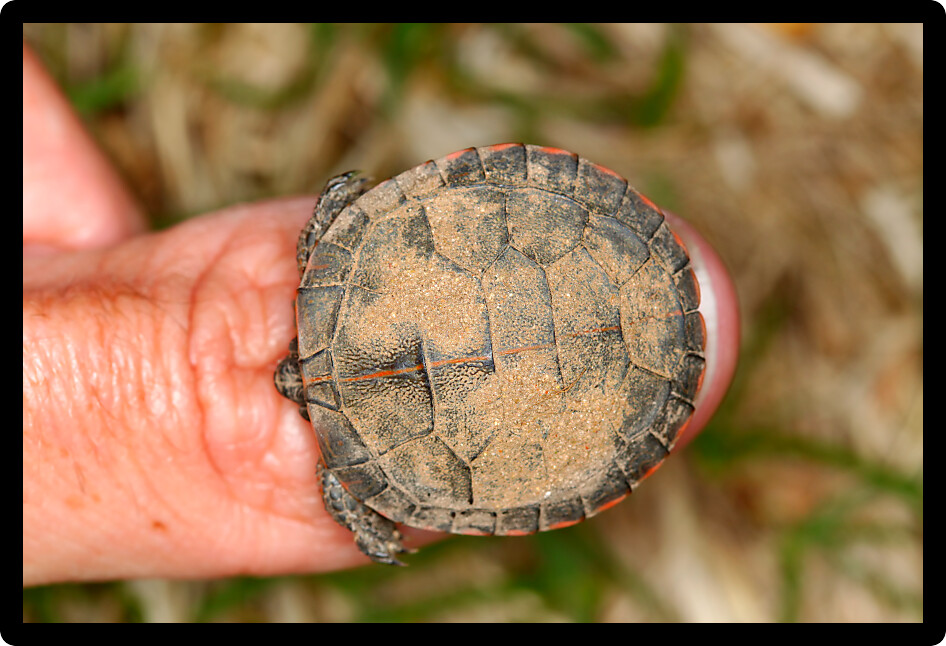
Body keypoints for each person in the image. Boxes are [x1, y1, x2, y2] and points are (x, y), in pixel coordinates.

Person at [23, 42, 740, 586]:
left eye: (296, 378)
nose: (289, 380)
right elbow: (339, 205)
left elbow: (373, 512)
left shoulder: (364, 473)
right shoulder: (333, 292)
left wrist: (372, 532)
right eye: (298, 382)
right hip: (584, 255)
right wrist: (340, 210)